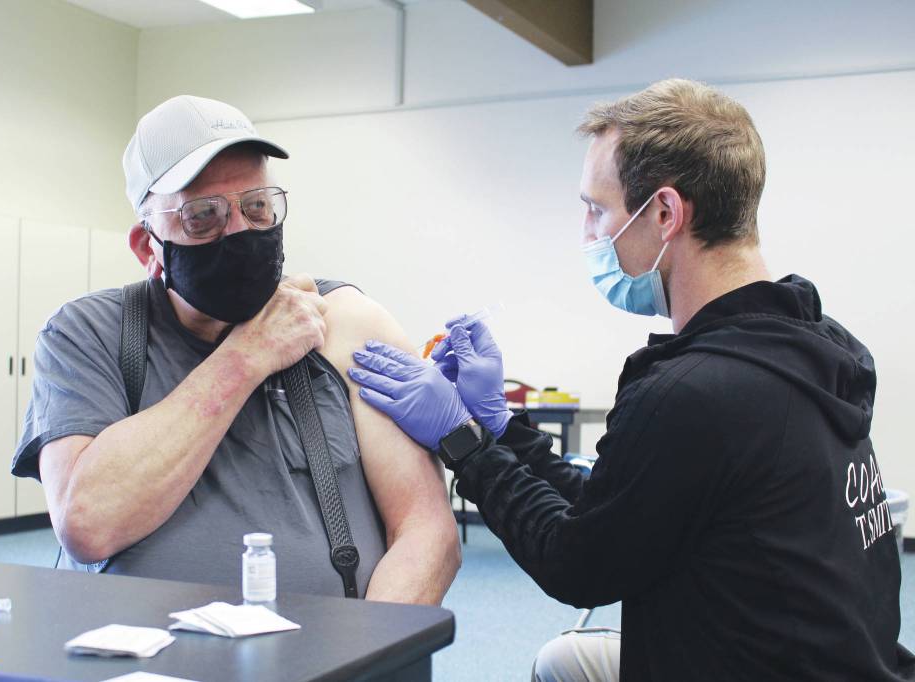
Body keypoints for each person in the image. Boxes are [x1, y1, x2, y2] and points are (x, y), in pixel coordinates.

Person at [348, 79, 915, 680]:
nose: (588, 233)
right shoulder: (809, 346)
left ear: (665, 213)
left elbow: (578, 564)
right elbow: (613, 511)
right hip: (838, 659)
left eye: (597, 210)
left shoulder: (696, 391)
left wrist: (460, 438)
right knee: (566, 661)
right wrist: (498, 425)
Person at [11, 95, 459, 604]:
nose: (241, 231)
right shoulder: (87, 334)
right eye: (202, 215)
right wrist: (246, 357)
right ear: (147, 246)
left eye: (256, 207)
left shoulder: (347, 323)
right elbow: (88, 525)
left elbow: (428, 533)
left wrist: (365, 653)